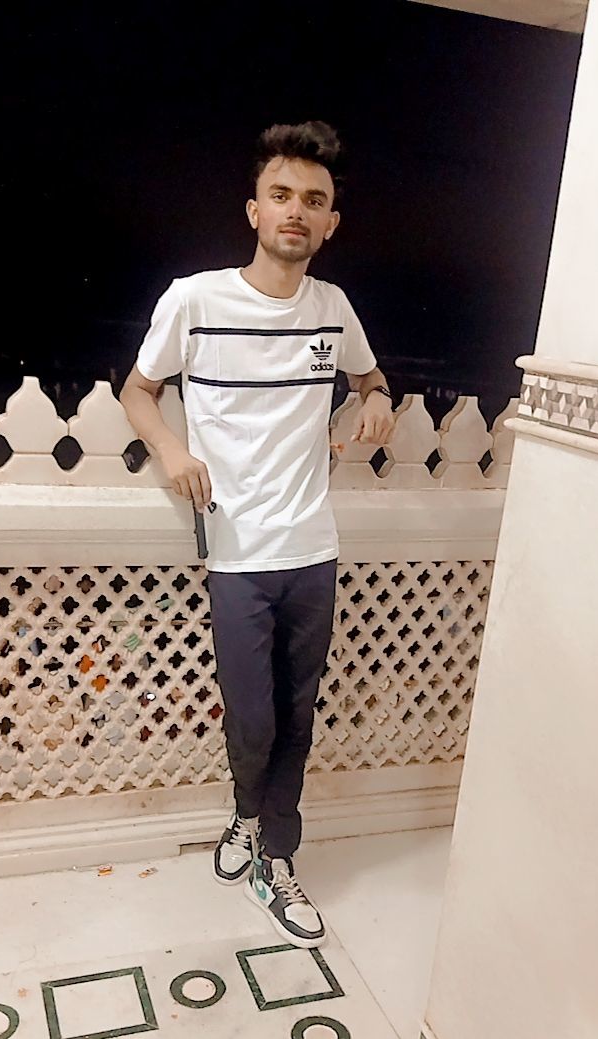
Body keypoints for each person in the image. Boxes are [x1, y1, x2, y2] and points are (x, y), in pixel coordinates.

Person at [120, 120, 394, 949]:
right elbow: (137, 390)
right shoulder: (195, 300)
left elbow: (370, 376)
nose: (296, 211)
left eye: (314, 200)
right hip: (236, 552)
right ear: (254, 210)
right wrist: (171, 448)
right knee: (253, 717)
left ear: (331, 222)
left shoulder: (332, 308)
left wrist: (377, 400)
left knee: (298, 716)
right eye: (282, 195)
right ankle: (247, 817)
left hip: (313, 546)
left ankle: (275, 857)